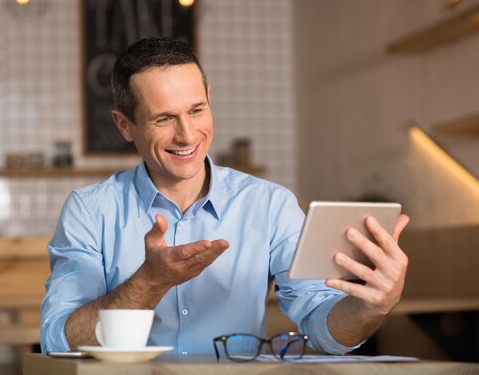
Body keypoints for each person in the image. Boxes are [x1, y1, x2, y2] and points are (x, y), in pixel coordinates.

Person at [40, 37, 410, 355]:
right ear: (125, 125)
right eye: (164, 119)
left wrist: (371, 307)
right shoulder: (89, 211)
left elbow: (322, 326)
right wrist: (148, 283)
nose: (187, 135)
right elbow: (58, 340)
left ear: (209, 98)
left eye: (197, 110)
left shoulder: (270, 206)